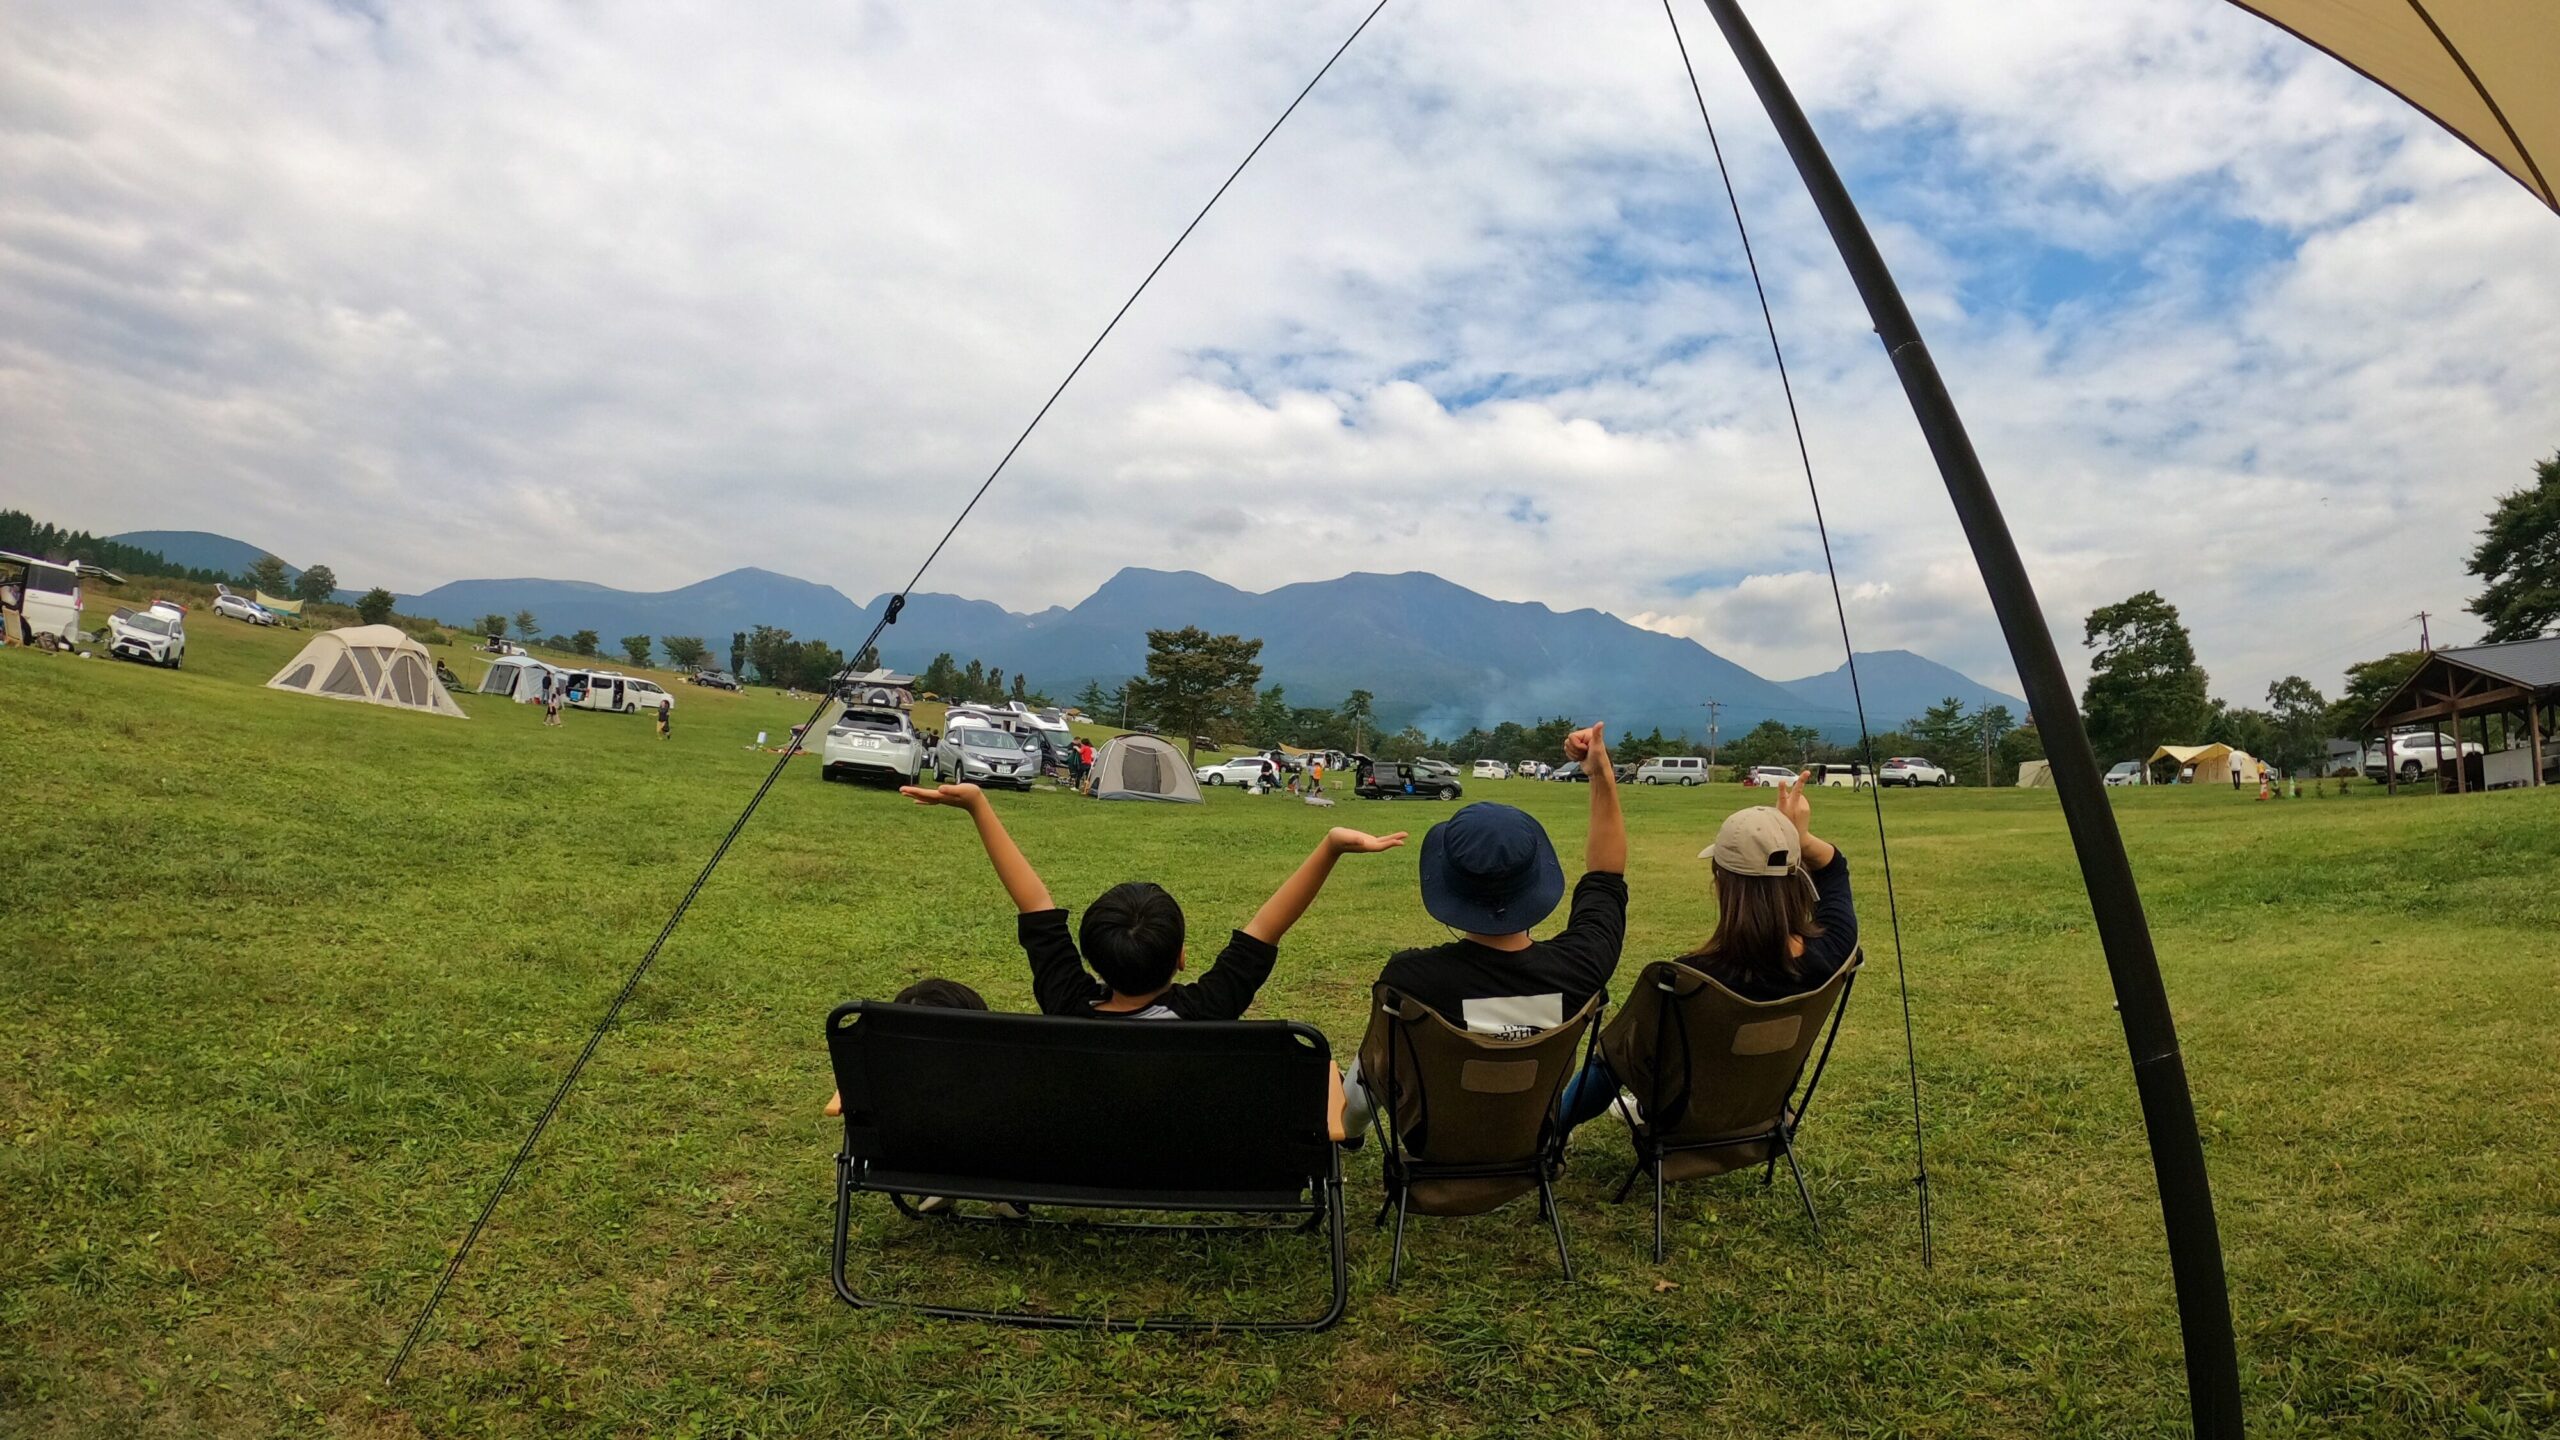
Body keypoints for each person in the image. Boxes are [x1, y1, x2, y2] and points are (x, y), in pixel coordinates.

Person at [1339, 723, 1627, 1136]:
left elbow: (1377, 1070)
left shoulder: (1411, 980)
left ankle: (1348, 1132)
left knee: (1375, 1053)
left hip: (1432, 1143)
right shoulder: (1584, 965)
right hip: (1533, 1141)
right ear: (1538, 878)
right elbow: (1606, 877)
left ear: (1446, 885)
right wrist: (1600, 773)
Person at [1556, 770, 1858, 1132]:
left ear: (1721, 882)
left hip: (1680, 1120)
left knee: (1613, 1055)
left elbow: (1616, 1058)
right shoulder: (1834, 950)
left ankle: (1551, 1130)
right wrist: (1801, 838)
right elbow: (1834, 870)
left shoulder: (1689, 979)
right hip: (1762, 1116)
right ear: (1797, 875)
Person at [822, 977, 1022, 1217]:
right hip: (994, 1157)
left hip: (907, 1158)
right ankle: (999, 1186)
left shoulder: (883, 1082)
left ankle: (937, 1183)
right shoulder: (1003, 1084)